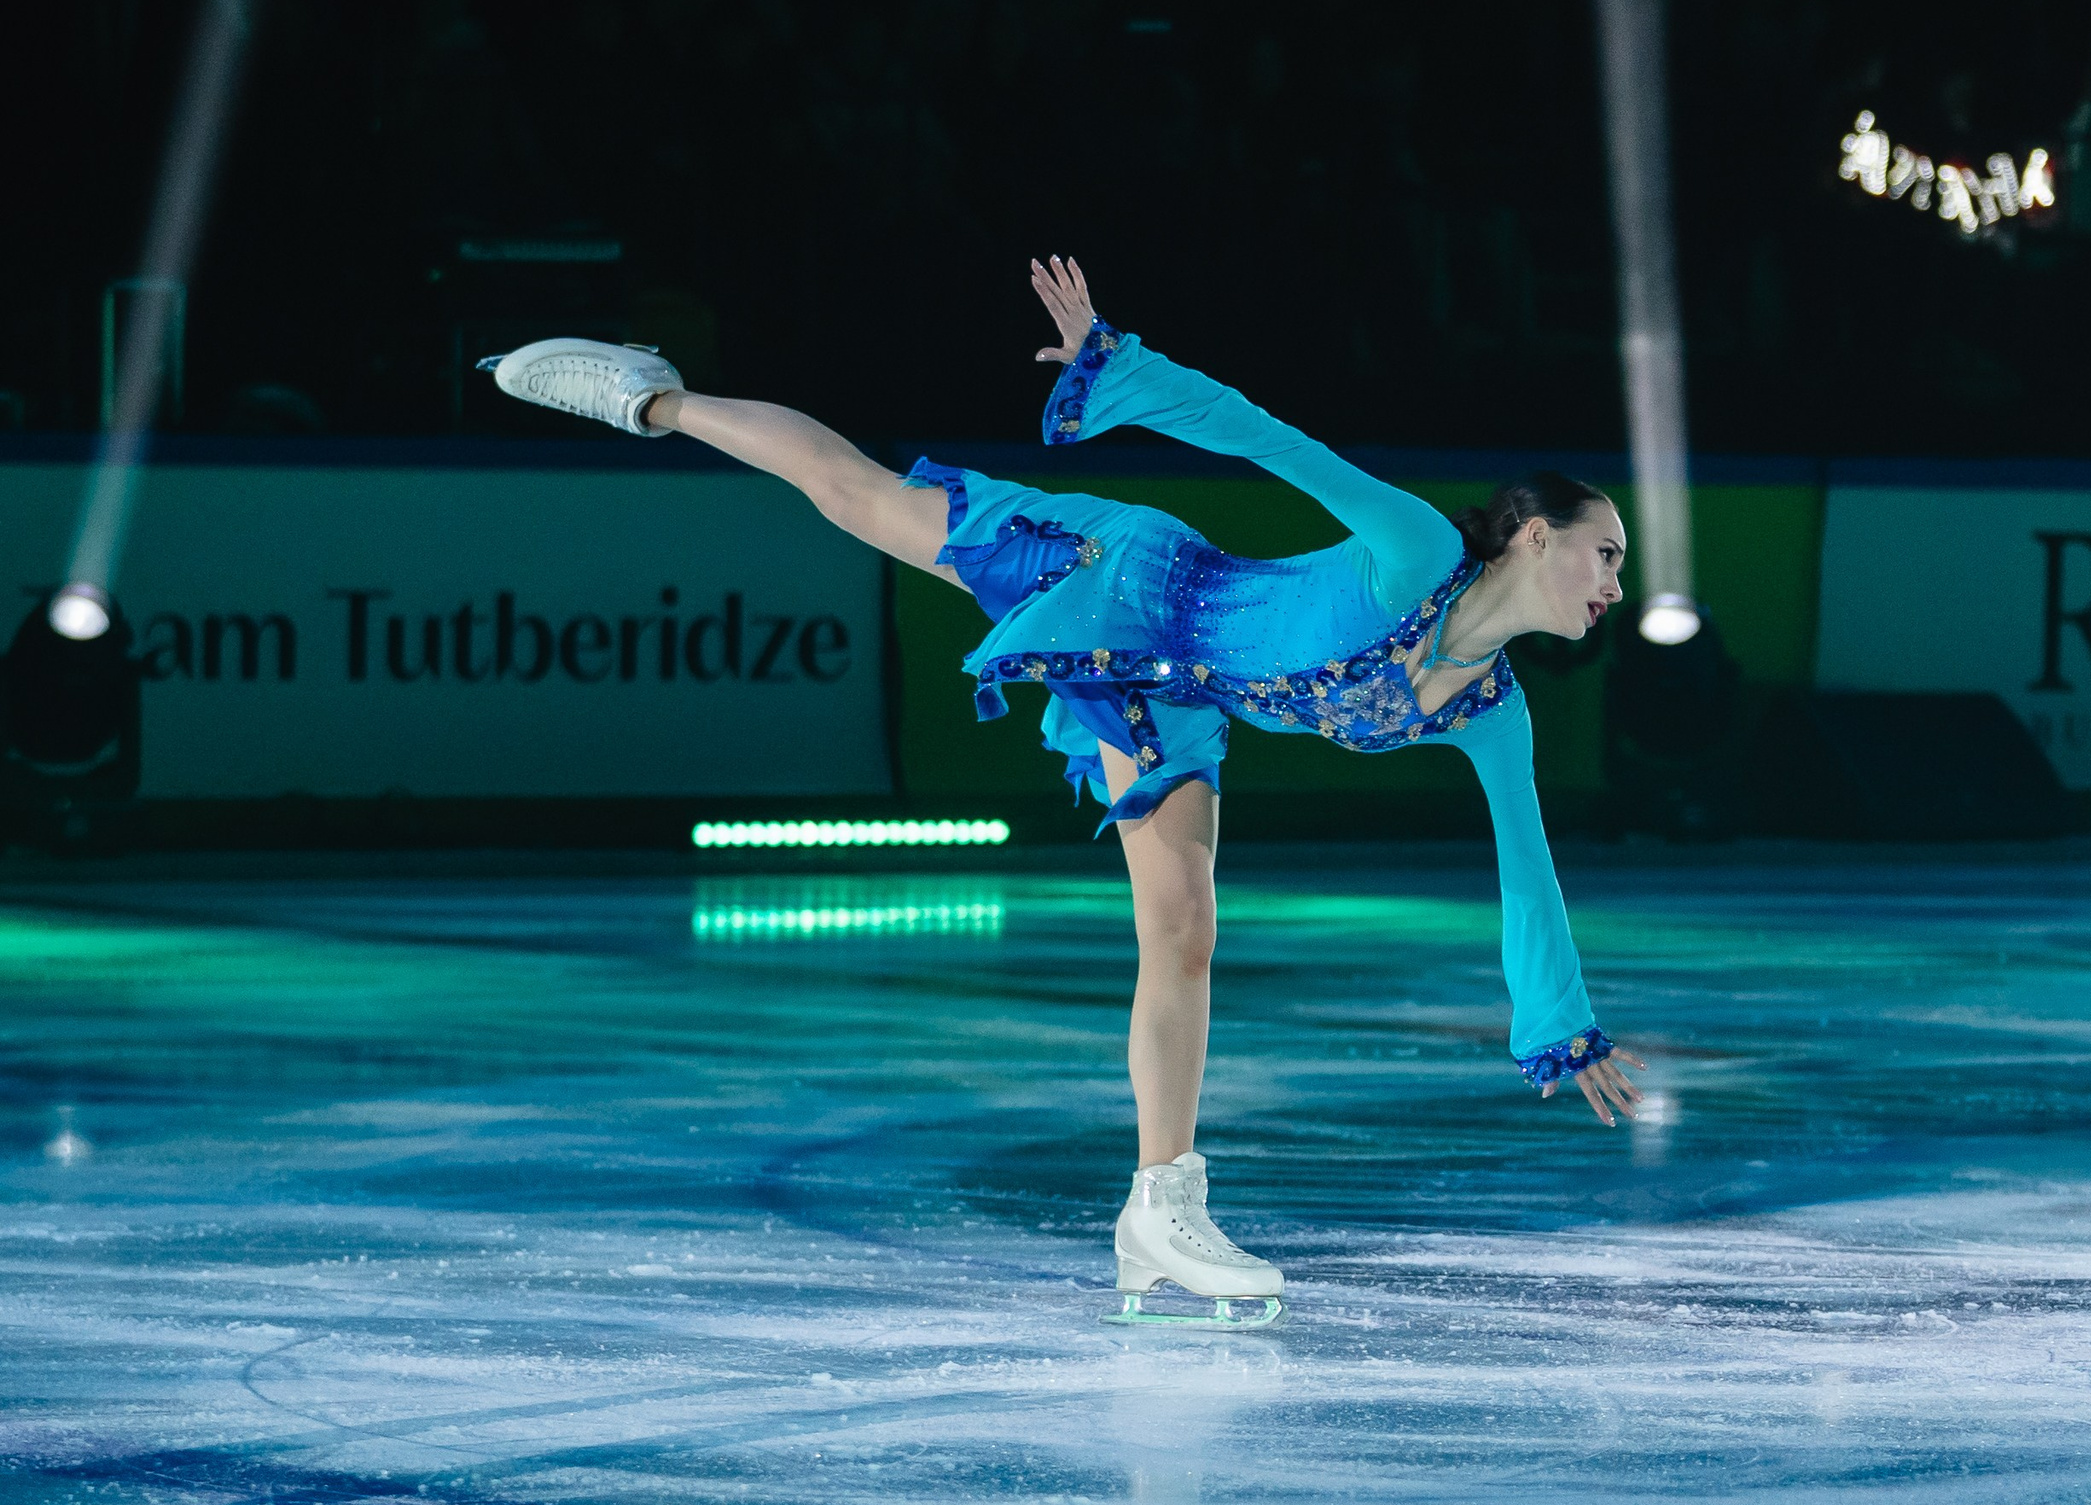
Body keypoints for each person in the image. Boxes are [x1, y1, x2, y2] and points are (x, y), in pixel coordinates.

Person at [482, 258, 1647, 1327]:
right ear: (1536, 539)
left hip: (1180, 703)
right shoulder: (1410, 552)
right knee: (862, 499)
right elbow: (1265, 438)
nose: (1613, 584)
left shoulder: (1492, 711)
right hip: (1132, 581)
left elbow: (1526, 863)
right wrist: (1113, 365)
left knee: (1183, 929)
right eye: (1606, 554)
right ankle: (653, 398)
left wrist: (1560, 1025)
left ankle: (1158, 1210)